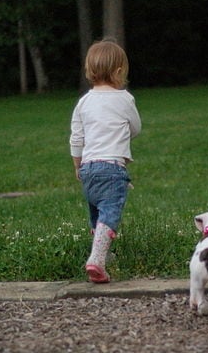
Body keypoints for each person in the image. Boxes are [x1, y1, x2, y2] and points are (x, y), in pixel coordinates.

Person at [69, 39, 142, 283]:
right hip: (112, 169)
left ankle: (101, 255)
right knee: (109, 214)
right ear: (120, 71)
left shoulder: (84, 102)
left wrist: (77, 167)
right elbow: (135, 128)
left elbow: (76, 138)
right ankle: (96, 260)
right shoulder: (125, 100)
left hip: (88, 169)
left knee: (97, 215)